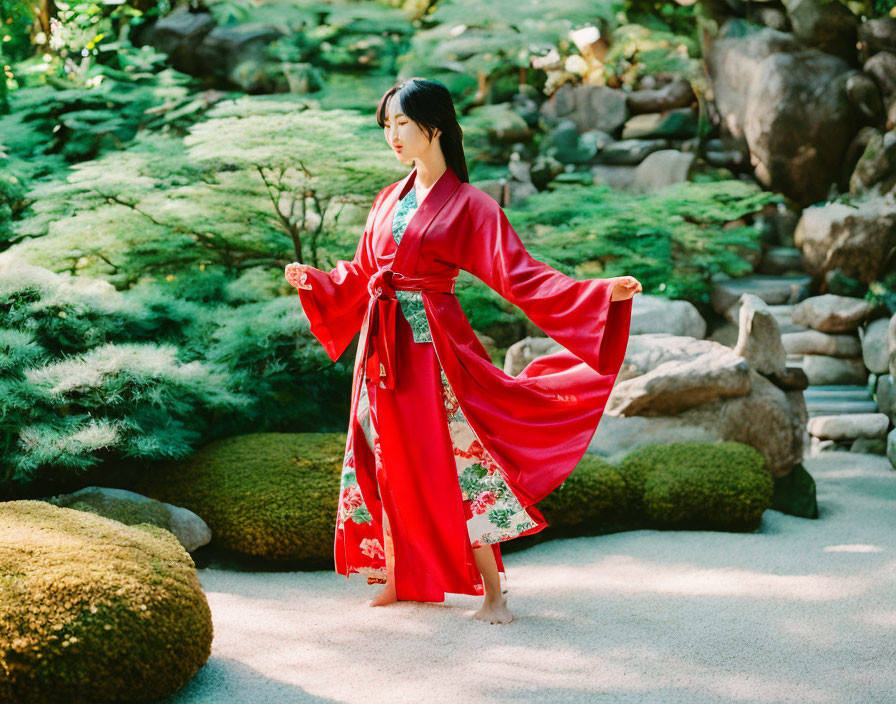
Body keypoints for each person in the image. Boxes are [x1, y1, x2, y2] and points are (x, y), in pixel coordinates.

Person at [286, 77, 641, 625]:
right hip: (381, 349)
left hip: (433, 352)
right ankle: (398, 577)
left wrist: (598, 293)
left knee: (463, 462)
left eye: (403, 123)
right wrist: (317, 281)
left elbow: (519, 274)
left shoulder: (471, 205)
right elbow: (361, 274)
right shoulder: (388, 199)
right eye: (388, 125)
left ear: (436, 127)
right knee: (379, 458)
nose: (393, 135)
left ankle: (494, 593)